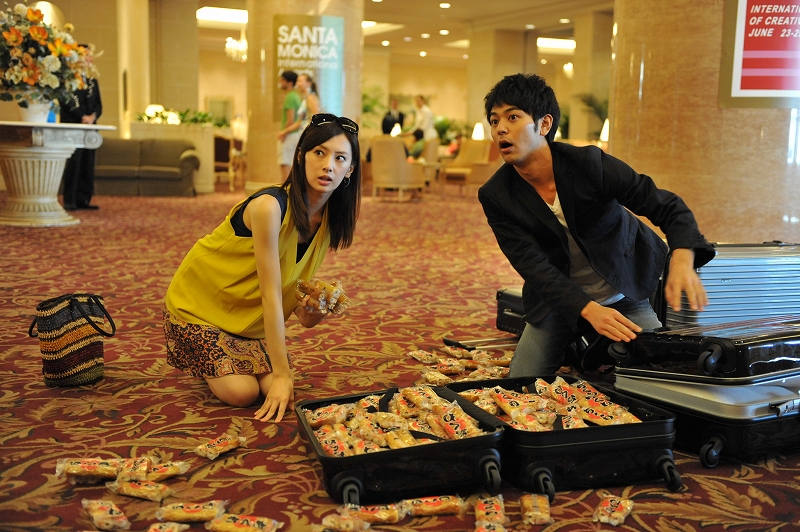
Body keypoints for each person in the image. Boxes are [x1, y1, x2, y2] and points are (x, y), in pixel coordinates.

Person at [477, 73, 715, 377]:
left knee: (661, 373)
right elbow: (533, 266)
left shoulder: (588, 164)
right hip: (558, 301)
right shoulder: (497, 195)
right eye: (494, 120)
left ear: (544, 124)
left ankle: (590, 349)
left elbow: (665, 205)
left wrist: (682, 258)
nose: (500, 128)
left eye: (512, 117)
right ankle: (580, 345)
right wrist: (589, 311)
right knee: (522, 382)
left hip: (622, 291)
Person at [164, 113, 361, 423]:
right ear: (300, 156)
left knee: (268, 389)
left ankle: (236, 358)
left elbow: (299, 310)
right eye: (319, 153)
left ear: (350, 169)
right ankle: (204, 360)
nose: (328, 165)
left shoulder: (329, 220)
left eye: (340, 158)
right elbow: (271, 294)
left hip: (247, 321)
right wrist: (282, 374)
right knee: (242, 393)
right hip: (199, 307)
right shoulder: (269, 207)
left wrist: (313, 311)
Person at [60, 64, 102, 211]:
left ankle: (83, 199)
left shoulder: (92, 82)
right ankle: (70, 200)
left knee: (87, 164)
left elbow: (98, 105)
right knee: (74, 163)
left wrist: (92, 117)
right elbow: (66, 102)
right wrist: (82, 117)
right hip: (73, 127)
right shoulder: (66, 81)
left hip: (90, 129)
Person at [279, 73, 321, 140]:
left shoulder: (310, 98)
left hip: (310, 136)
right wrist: (285, 131)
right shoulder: (305, 98)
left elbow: (317, 118)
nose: (297, 84)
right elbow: (300, 122)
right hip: (304, 134)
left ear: (309, 83)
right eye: (297, 81)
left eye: (300, 81)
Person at [276, 70, 302, 177]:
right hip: (295, 134)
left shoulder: (290, 97)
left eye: (283, 80)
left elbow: (290, 120)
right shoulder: (295, 96)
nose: (280, 82)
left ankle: (286, 188)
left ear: (290, 82)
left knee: (285, 165)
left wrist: (284, 133)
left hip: (289, 135)